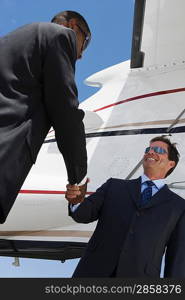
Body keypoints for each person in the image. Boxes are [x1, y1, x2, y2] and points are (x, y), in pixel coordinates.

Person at [0, 11, 91, 223]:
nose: (81, 55)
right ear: (73, 25)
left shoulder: (9, 42)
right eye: (84, 44)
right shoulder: (60, 35)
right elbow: (65, 111)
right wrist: (77, 177)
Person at [65, 136, 185, 278]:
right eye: (148, 149)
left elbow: (177, 258)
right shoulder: (114, 186)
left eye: (158, 150)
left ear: (171, 164)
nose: (150, 152)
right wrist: (77, 200)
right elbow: (84, 214)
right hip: (93, 272)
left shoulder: (178, 206)